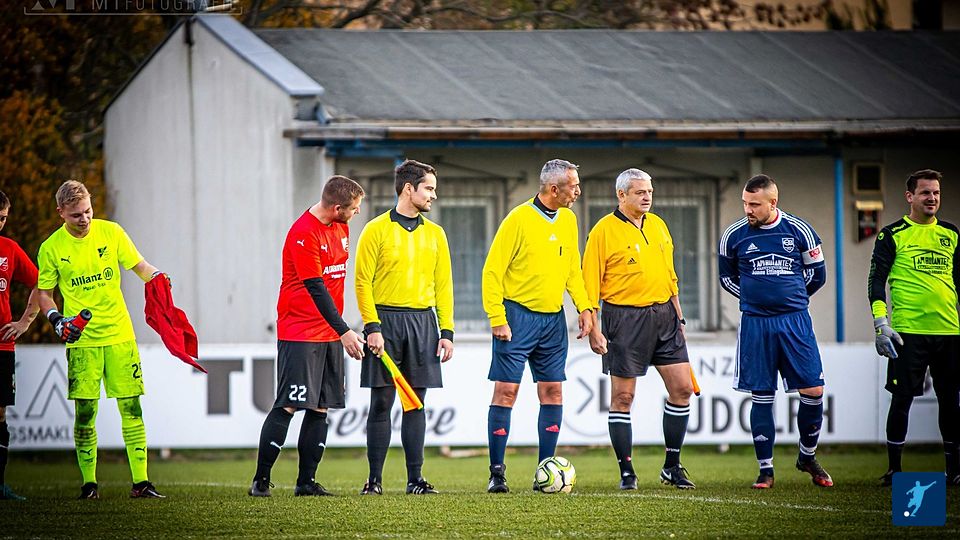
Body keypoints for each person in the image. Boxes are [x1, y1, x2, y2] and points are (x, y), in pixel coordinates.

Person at [37, 180, 167, 499]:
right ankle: (89, 485)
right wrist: (56, 320)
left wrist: (159, 278)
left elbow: (140, 266)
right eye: (76, 215)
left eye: (88, 211)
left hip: (120, 335)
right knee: (85, 412)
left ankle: (141, 483)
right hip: (82, 342)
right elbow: (44, 294)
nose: (84, 219)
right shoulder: (51, 248)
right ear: (61, 212)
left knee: (132, 407)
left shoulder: (111, 232)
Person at [249, 175, 366, 497]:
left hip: (329, 332)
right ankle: (260, 480)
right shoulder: (303, 233)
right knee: (289, 404)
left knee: (321, 406)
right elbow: (316, 287)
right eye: (354, 208)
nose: (357, 212)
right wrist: (345, 331)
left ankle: (306, 482)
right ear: (337, 208)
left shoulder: (341, 227)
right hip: (300, 331)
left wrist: (338, 330)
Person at [482, 158, 593, 493]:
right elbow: (492, 271)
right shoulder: (518, 219)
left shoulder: (569, 219)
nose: (578, 191)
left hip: (553, 320)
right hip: (517, 318)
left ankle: (546, 470)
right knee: (506, 392)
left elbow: (572, 268)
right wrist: (497, 317)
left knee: (553, 391)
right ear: (554, 189)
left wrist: (585, 307)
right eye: (574, 185)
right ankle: (497, 473)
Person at [582, 169, 695, 490]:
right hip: (624, 319)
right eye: (640, 192)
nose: (647, 197)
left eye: (650, 191)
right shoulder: (603, 231)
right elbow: (589, 283)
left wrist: (679, 317)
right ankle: (627, 472)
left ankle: (672, 466)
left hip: (665, 316)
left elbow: (670, 275)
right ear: (621, 195)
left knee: (683, 389)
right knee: (623, 396)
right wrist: (593, 328)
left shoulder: (658, 225)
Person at [718, 174, 832, 489]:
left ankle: (807, 457)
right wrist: (756, 299)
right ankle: (765, 470)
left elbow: (817, 275)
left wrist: (789, 299)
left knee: (813, 390)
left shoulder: (800, 231)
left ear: (773, 202)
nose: (748, 209)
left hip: (795, 321)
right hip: (756, 323)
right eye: (745, 203)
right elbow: (727, 278)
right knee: (762, 393)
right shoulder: (733, 235)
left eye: (755, 204)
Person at [354, 159, 454, 495]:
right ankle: (374, 481)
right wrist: (372, 326)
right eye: (429, 188)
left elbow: (444, 286)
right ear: (408, 189)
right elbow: (362, 282)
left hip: (424, 324)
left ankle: (415, 480)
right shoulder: (375, 229)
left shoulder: (436, 234)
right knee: (381, 402)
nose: (433, 195)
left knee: (415, 402)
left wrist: (447, 332)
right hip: (385, 323)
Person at [868, 168, 960, 487]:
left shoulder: (951, 234)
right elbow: (876, 281)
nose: (932, 198)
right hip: (907, 332)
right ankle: (895, 470)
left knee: (951, 401)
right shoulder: (892, 235)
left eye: (936, 192)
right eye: (925, 192)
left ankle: (954, 470)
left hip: (949, 332)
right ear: (910, 196)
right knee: (902, 399)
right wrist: (881, 323)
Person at [0, 191, 41, 501]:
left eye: (3, 218)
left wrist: (24, 322)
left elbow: (42, 283)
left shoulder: (10, 249)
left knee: (0, 414)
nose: (0, 224)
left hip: (2, 346)